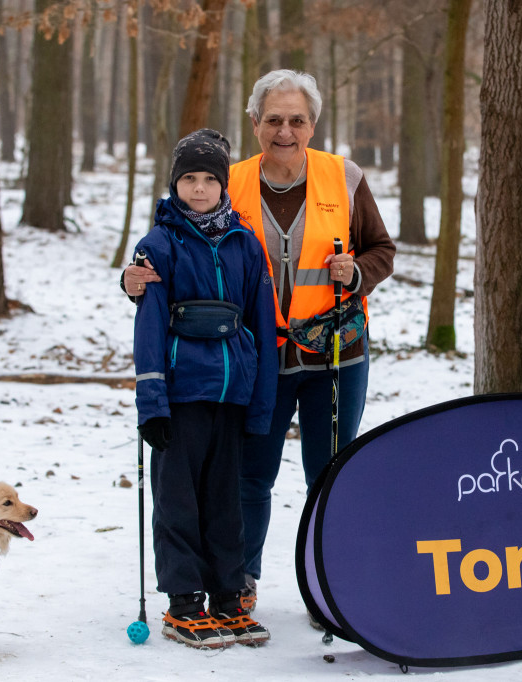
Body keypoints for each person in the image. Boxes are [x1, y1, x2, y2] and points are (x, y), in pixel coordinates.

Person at [124, 71, 396, 615]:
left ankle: (332, 586)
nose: (285, 131)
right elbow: (175, 247)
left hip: (336, 355)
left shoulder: (344, 177)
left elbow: (382, 250)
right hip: (256, 362)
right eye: (274, 120)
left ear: (313, 124)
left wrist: (357, 270)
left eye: (297, 120)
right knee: (250, 477)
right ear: (254, 124)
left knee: (331, 474)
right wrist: (134, 278)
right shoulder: (229, 182)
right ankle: (240, 580)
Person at [131, 128, 277, 649]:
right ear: (174, 185)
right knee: (178, 500)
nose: (198, 189)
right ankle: (184, 601)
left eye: (208, 179)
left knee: (226, 502)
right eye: (188, 179)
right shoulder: (159, 245)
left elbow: (262, 324)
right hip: (180, 395)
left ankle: (228, 598)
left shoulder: (245, 244)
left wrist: (261, 405)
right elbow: (148, 330)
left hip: (231, 393)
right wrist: (152, 404)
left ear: (223, 185)